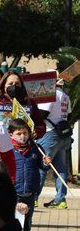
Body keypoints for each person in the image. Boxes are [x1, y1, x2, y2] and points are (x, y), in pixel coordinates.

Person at [9, 119, 50, 231]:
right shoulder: (8, 149)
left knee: (27, 220)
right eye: (19, 133)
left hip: (30, 191)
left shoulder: (36, 148)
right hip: (13, 192)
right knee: (13, 220)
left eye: (25, 133)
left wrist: (46, 163)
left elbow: (43, 167)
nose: (22, 136)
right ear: (11, 134)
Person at [37, 80, 72, 209]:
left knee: (41, 165)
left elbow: (43, 114)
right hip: (62, 134)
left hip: (50, 132)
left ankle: (34, 197)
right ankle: (60, 199)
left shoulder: (50, 95)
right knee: (60, 168)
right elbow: (69, 115)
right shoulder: (65, 95)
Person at [0, 71, 46, 138]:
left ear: (21, 86)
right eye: (10, 83)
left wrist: (36, 132)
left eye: (17, 83)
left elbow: (41, 125)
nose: (14, 86)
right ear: (4, 86)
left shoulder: (29, 102)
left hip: (23, 144)